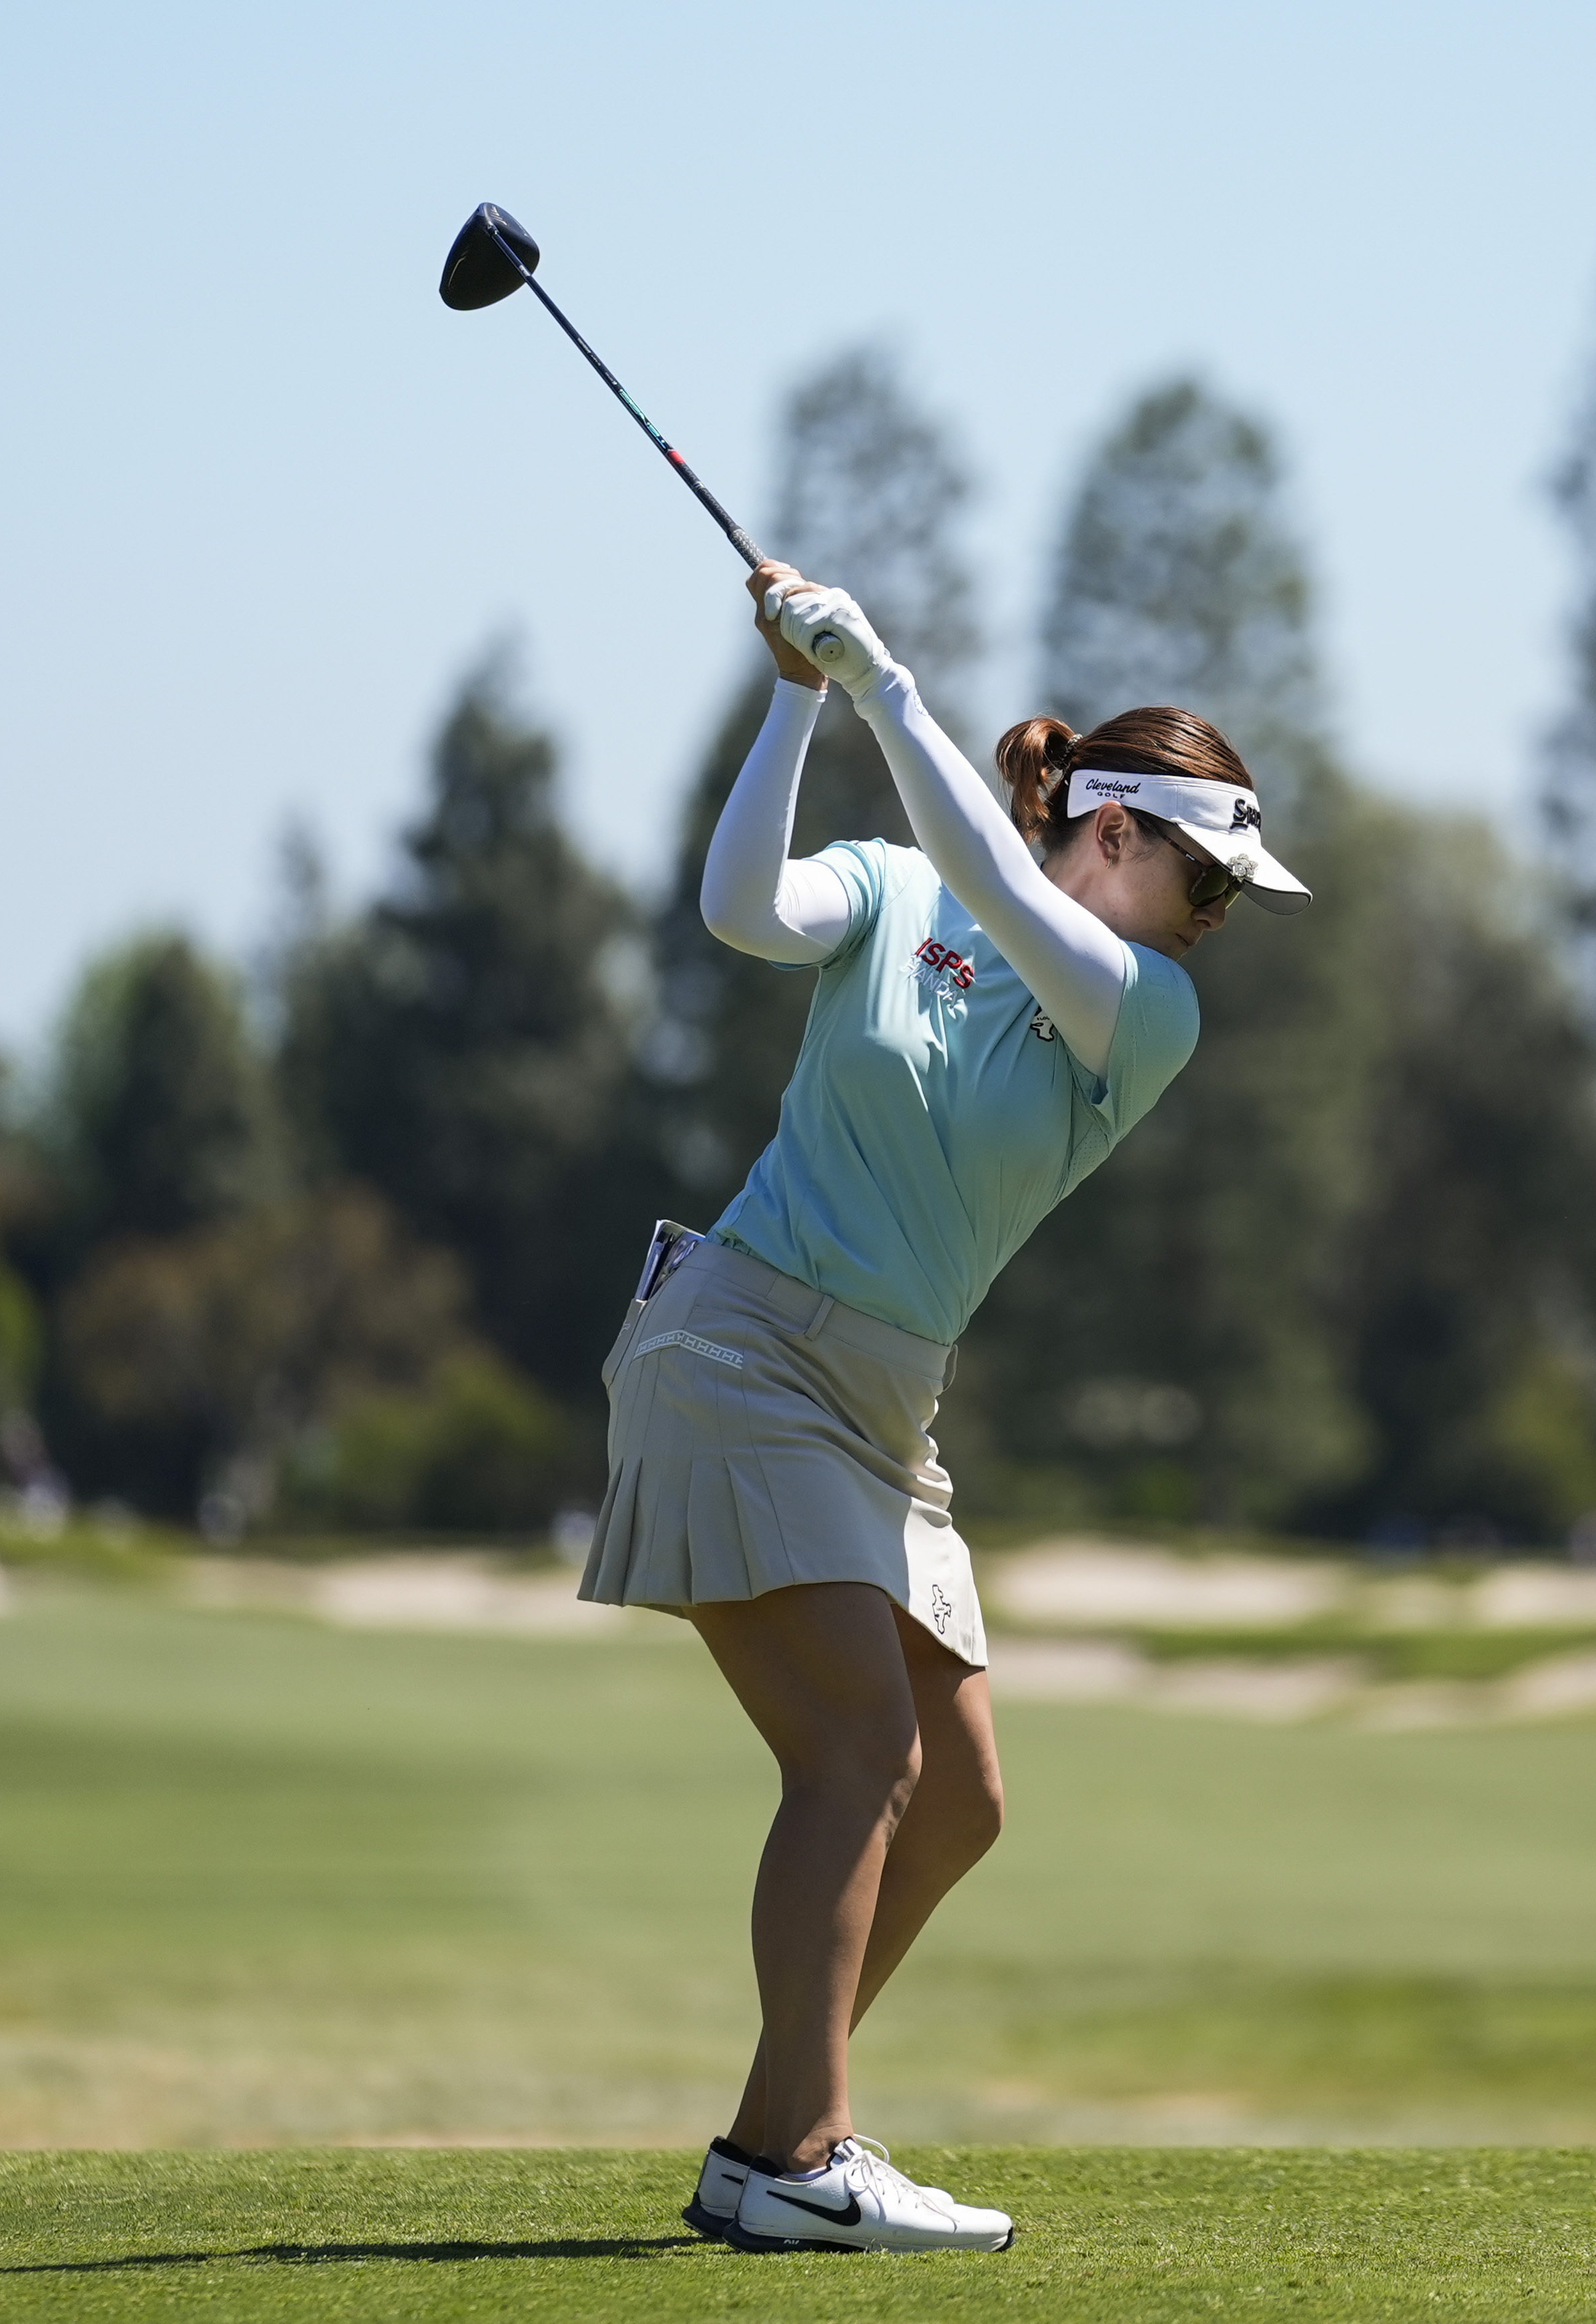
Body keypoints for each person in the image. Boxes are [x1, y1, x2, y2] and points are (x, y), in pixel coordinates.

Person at [575, 564, 1307, 2255]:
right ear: (1115, 829)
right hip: (742, 1347)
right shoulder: (902, 885)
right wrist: (798, 695)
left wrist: (888, 684)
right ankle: (804, 2152)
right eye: (1207, 882)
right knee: (859, 1752)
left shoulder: (1147, 1014)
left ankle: (768, 2141)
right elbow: (743, 910)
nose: (1215, 921)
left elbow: (997, 876)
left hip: (886, 1411)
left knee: (959, 1796)